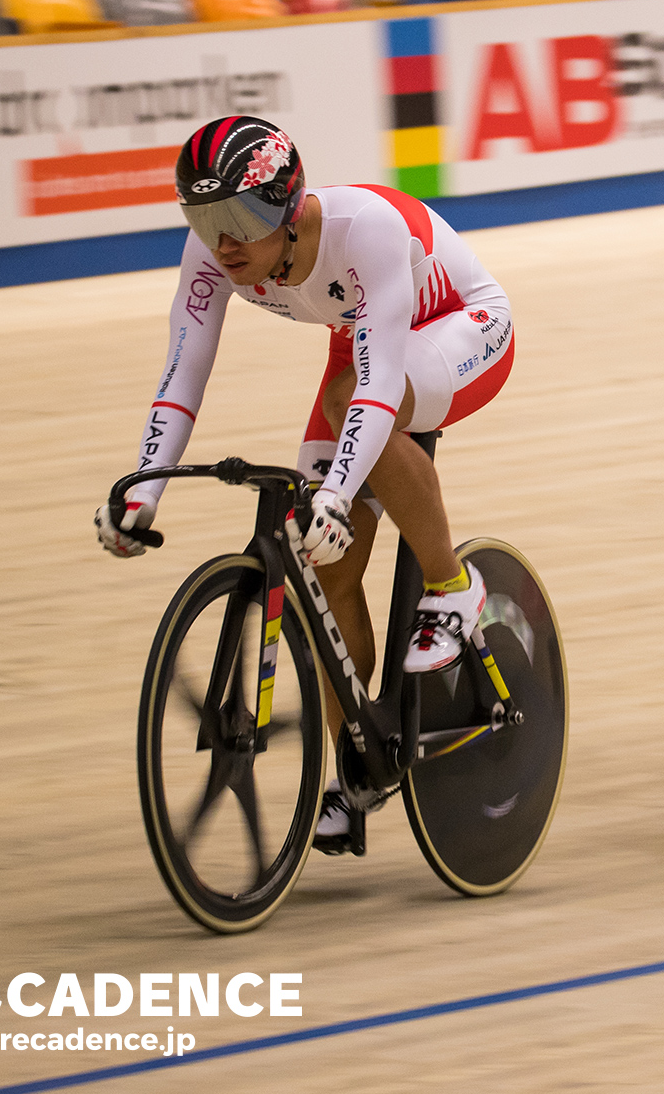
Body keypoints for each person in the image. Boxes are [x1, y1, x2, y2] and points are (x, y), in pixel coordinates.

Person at [94, 115, 516, 853]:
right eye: (204, 217)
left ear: (288, 206)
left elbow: (378, 385)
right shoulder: (214, 253)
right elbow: (183, 370)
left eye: (241, 218)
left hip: (461, 326)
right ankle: (355, 770)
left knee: (347, 402)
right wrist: (144, 488)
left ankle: (452, 588)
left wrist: (335, 491)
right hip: (364, 349)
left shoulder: (366, 228)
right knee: (331, 574)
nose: (224, 243)